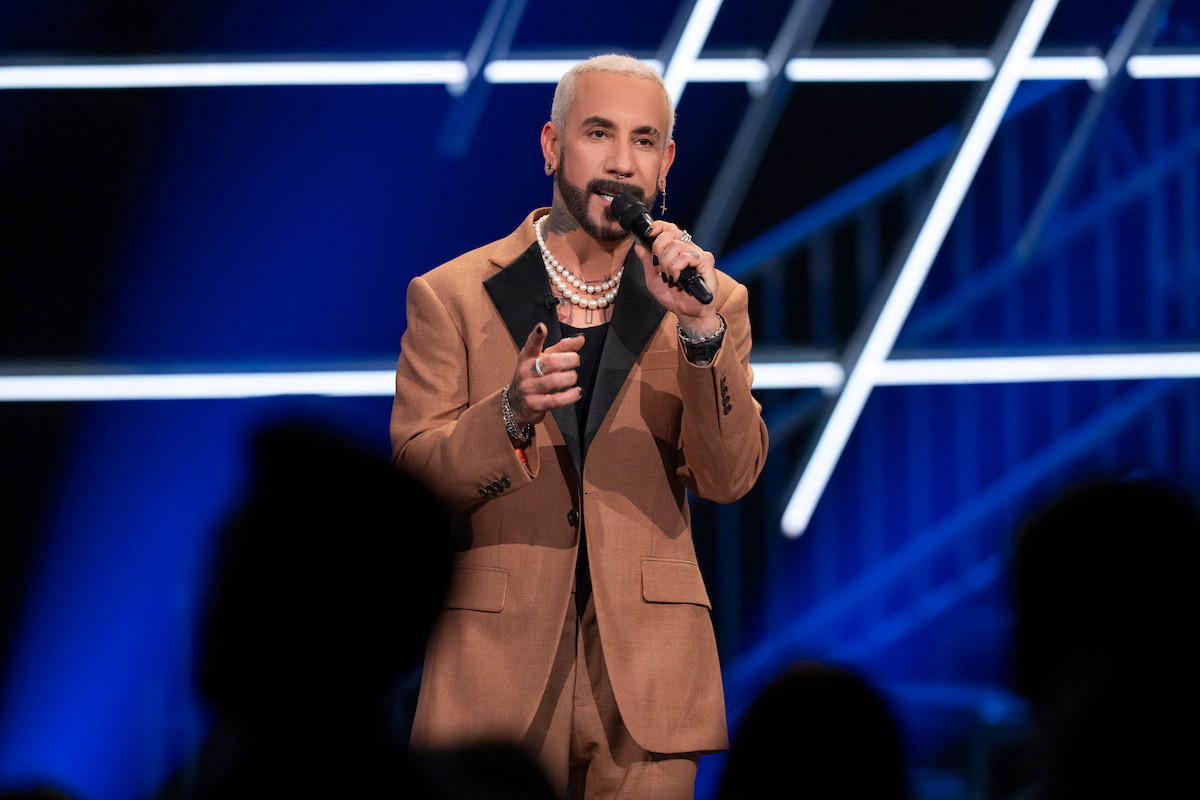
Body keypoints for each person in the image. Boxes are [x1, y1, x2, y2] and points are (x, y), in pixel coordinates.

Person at [390, 53, 768, 799]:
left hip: (649, 680)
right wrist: (508, 413)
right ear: (551, 146)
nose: (622, 163)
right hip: (493, 676)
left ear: (666, 163)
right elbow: (413, 480)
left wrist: (698, 333)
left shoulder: (709, 301)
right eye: (599, 134)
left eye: (645, 141)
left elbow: (730, 478)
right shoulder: (451, 296)